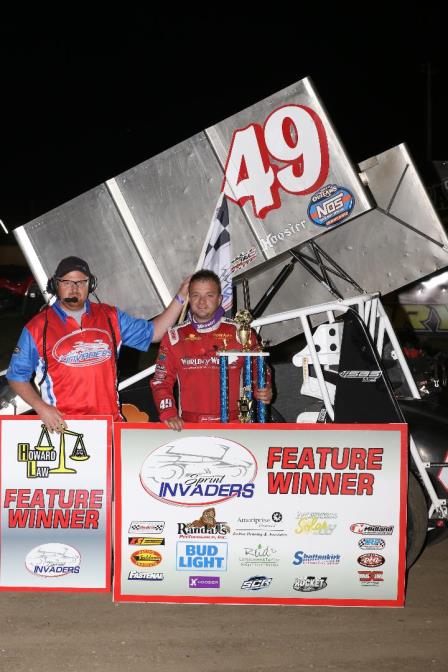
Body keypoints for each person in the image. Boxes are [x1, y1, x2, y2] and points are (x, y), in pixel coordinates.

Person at [7, 256, 189, 431]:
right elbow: (16, 376)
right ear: (55, 285)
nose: (74, 288)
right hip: (64, 426)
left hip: (110, 424)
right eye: (67, 282)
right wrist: (41, 407)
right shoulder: (38, 327)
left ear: (91, 285)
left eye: (81, 282)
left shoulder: (110, 316)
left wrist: (181, 296)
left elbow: (155, 332)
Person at [151, 269, 272, 430]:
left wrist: (265, 387)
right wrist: (168, 412)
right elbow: (160, 381)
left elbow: (259, 366)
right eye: (195, 295)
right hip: (190, 427)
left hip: (236, 424)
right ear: (189, 298)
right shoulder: (174, 337)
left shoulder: (240, 332)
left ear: (219, 299)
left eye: (209, 295)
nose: (202, 302)